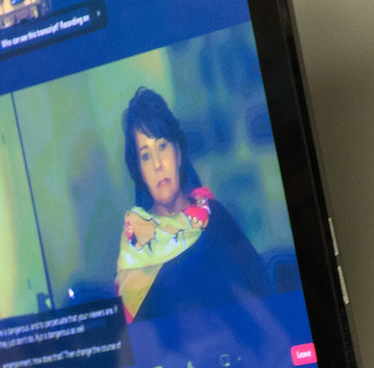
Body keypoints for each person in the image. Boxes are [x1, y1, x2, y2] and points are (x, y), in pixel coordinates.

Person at [113, 87, 275, 329]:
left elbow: (261, 288)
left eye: (163, 147)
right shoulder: (136, 246)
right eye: (146, 156)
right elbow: (139, 340)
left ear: (178, 153)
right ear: (139, 172)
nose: (157, 164)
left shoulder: (214, 216)